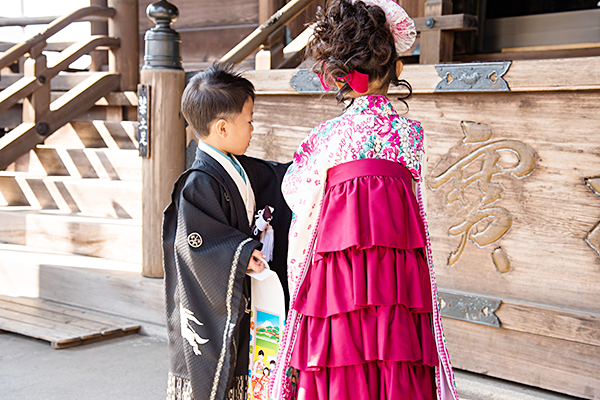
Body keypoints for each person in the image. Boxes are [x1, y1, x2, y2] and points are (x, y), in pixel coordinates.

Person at [270, 1, 459, 399]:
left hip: (339, 274)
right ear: (398, 69)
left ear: (340, 78)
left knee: (341, 355)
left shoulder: (326, 137)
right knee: (396, 351)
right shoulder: (411, 135)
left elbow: (297, 193)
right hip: (396, 273)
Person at [163, 62, 291, 400]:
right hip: (218, 298)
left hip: (243, 293)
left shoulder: (237, 167)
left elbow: (276, 177)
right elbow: (196, 243)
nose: (252, 129)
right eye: (249, 121)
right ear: (222, 128)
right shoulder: (198, 183)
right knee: (222, 366)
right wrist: (240, 250)